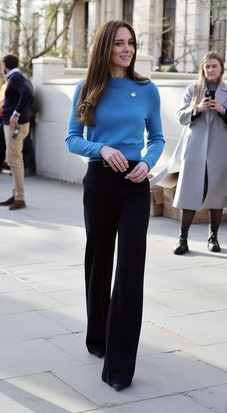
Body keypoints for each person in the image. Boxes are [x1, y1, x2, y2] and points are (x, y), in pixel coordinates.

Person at [65, 20, 165, 391]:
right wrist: (101, 149)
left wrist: (147, 162)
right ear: (105, 47)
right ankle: (98, 338)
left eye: (131, 43)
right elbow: (72, 138)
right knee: (99, 261)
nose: (127, 50)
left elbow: (156, 138)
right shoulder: (88, 88)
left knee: (129, 268)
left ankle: (120, 367)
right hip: (99, 182)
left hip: (135, 186)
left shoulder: (147, 89)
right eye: (119, 43)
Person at [173, 51, 227, 255]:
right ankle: (182, 238)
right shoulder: (193, 90)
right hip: (195, 151)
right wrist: (198, 108)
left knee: (217, 195)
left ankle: (213, 237)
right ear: (203, 69)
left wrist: (222, 110)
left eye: (215, 66)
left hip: (220, 151)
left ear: (221, 68)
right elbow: (180, 117)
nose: (211, 69)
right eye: (207, 66)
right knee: (189, 192)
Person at [0, 54, 33, 210]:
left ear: (5, 65)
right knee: (15, 159)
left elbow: (27, 94)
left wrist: (16, 114)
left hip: (15, 125)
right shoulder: (16, 77)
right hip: (14, 125)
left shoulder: (16, 77)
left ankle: (20, 198)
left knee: (14, 159)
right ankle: (16, 194)